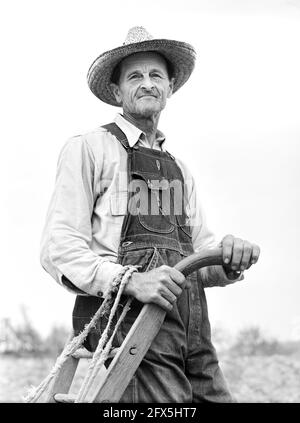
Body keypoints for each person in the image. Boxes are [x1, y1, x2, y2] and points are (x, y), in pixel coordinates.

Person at [40, 26, 260, 402]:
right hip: (125, 320)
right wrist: (132, 281)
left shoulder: (180, 168)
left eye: (156, 75)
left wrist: (229, 258)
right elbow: (59, 248)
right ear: (116, 91)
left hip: (188, 324)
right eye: (135, 76)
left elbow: (198, 254)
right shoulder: (90, 148)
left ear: (170, 87)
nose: (146, 84)